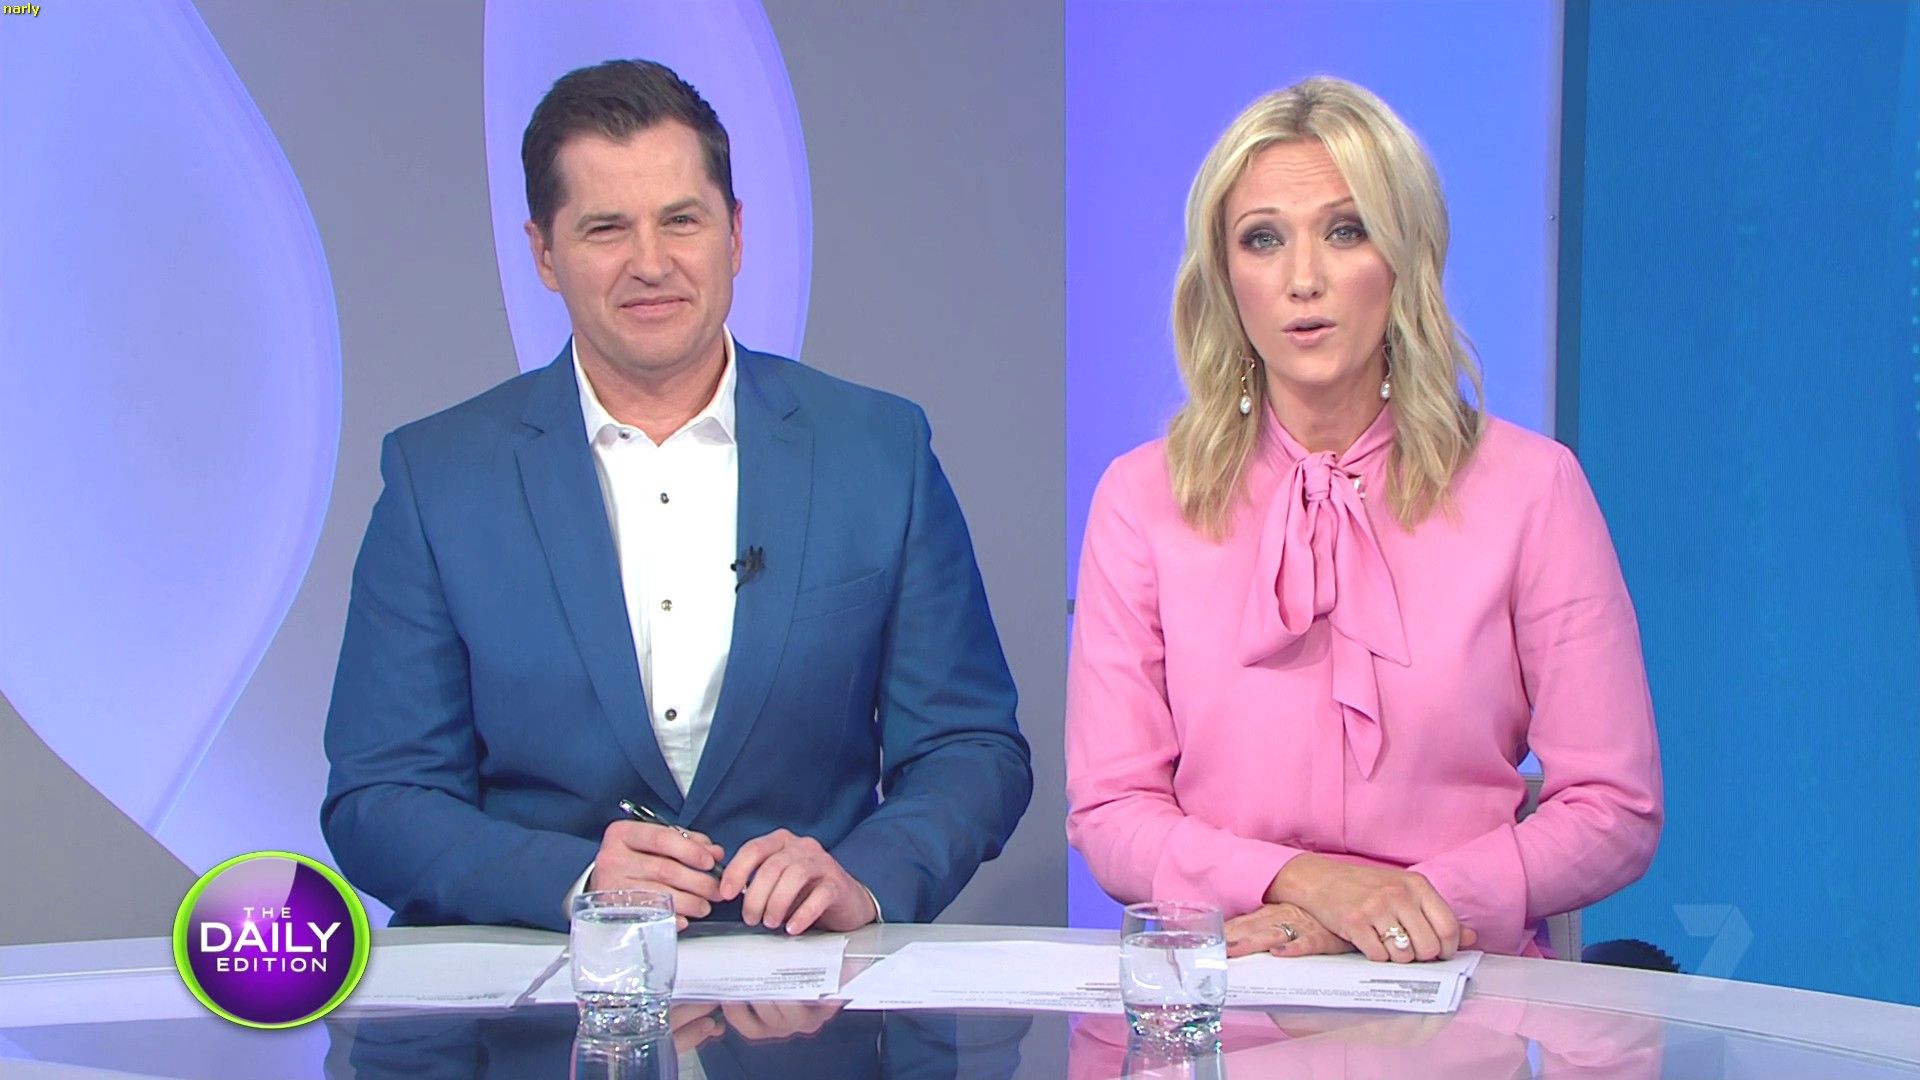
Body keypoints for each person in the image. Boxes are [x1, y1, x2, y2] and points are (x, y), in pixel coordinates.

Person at [322, 59, 1031, 934]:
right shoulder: (438, 477)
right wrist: (576, 882)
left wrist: (865, 878)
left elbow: (971, 748)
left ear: (735, 234)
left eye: (681, 221)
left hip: (801, 986)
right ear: (543, 253)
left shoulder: (879, 451)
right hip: (538, 984)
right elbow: (379, 796)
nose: (650, 264)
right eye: (606, 229)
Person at [1065, 77, 1661, 961]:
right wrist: (1301, 885)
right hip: (1234, 981)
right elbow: (1112, 810)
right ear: (1225, 276)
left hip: (1458, 983)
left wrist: (1397, 912)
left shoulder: (1534, 489)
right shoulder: (1140, 500)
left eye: (1345, 231)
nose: (1303, 279)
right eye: (1262, 239)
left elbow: (1615, 809)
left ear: (1404, 256)